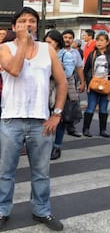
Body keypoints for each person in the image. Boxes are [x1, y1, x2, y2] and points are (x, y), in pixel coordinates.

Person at [0, 7, 67, 231]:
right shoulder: (3, 49)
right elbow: (14, 69)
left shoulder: (47, 50)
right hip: (11, 121)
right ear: (14, 27)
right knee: (6, 172)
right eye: (22, 21)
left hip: (40, 121)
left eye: (32, 21)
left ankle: (42, 210)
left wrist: (57, 114)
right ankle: (2, 210)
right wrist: (22, 43)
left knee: (41, 172)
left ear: (37, 26)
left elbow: (61, 82)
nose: (27, 25)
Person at [44, 30, 75, 160]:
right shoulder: (43, 54)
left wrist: (54, 69)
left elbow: (68, 73)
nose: (47, 45)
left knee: (60, 120)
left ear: (57, 43)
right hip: (47, 90)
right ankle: (46, 145)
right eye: (45, 42)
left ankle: (57, 146)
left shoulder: (65, 55)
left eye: (50, 42)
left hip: (60, 91)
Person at [82, 32, 110, 138]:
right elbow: (86, 69)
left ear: (107, 42)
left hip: (106, 84)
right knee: (91, 107)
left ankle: (103, 130)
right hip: (93, 83)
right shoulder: (93, 54)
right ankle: (86, 129)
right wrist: (84, 82)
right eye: (98, 40)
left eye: (102, 40)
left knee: (103, 108)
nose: (99, 42)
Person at [62, 29, 85, 137]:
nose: (67, 40)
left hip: (71, 82)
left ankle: (71, 127)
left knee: (72, 104)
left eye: (70, 38)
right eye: (65, 37)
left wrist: (82, 82)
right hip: (58, 82)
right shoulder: (57, 50)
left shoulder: (75, 52)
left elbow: (79, 68)